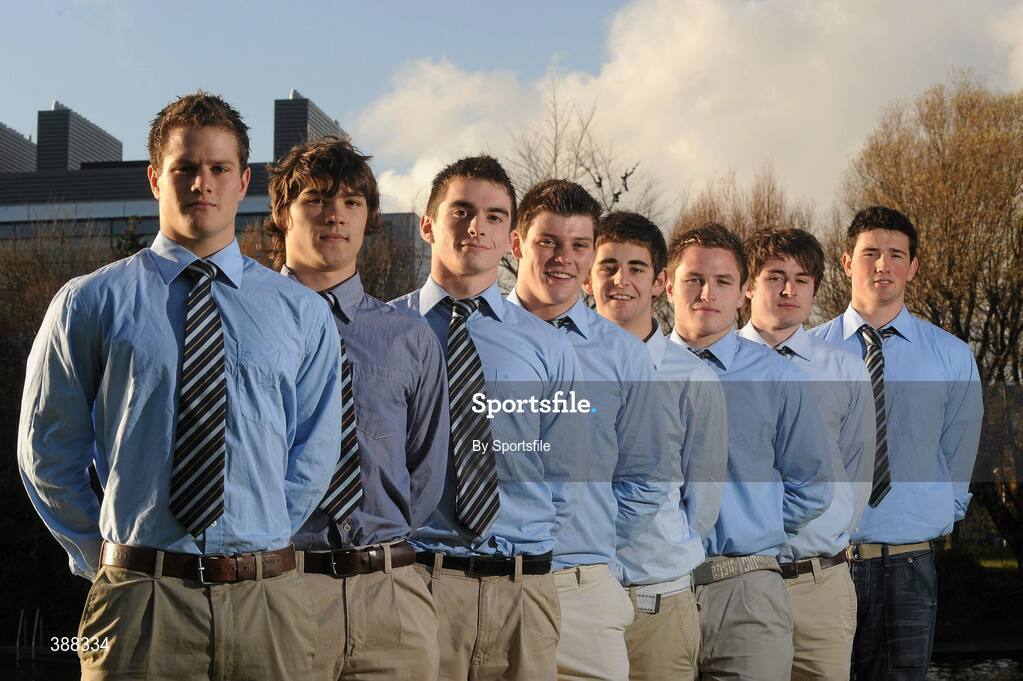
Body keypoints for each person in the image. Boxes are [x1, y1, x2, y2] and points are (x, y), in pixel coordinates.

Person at [18, 92, 342, 680]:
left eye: (219, 168)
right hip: (139, 599)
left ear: (243, 181)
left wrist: (256, 538)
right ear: (154, 178)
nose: (202, 184)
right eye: (185, 168)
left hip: (266, 604)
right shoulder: (89, 302)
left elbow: (315, 452)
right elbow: (48, 453)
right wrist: (107, 558)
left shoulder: (302, 313)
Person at [390, 155, 588, 681]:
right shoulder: (384, 329)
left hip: (524, 591)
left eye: (495, 216)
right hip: (419, 582)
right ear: (428, 225)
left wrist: (530, 553)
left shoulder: (548, 346)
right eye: (461, 211)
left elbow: (565, 471)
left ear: (510, 238)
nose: (477, 227)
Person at [265, 136, 448, 680]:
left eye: (351, 202)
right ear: (283, 212)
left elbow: (425, 470)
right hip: (278, 587)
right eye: (317, 199)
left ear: (368, 218)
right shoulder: (241, 324)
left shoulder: (408, 337)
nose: (335, 215)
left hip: (391, 596)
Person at [810, 206, 983, 680]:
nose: (882, 265)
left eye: (896, 254)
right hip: (824, 564)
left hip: (910, 562)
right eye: (870, 253)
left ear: (913, 266)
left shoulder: (950, 355)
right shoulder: (807, 353)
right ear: (847, 262)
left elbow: (959, 450)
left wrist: (937, 511)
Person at [506, 183, 668, 681]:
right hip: (486, 585)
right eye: (548, 242)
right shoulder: (475, 335)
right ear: (516, 244)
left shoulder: (623, 355)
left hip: (581, 591)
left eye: (579, 245)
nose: (564, 258)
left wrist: (588, 548)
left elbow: (646, 476)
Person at [665, 222, 832, 680]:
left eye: (723, 281)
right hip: (652, 591)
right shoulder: (637, 370)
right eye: (694, 279)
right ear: (668, 285)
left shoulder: (778, 378)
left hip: (744, 590)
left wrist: (755, 524)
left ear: (742, 293)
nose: (707, 293)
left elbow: (813, 485)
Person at [586, 211, 728, 681]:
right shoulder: (560, 365)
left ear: (659, 281)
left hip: (656, 601)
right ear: (587, 276)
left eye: (636, 268)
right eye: (608, 266)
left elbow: (702, 502)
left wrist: (660, 550)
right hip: (576, 598)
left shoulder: (693, 378)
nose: (620, 280)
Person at [739, 227, 875, 680]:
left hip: (821, 583)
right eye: (775, 276)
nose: (789, 289)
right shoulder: (714, 367)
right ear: (748, 285)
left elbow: (857, 468)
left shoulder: (844, 369)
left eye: (802, 279)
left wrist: (830, 533)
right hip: (738, 584)